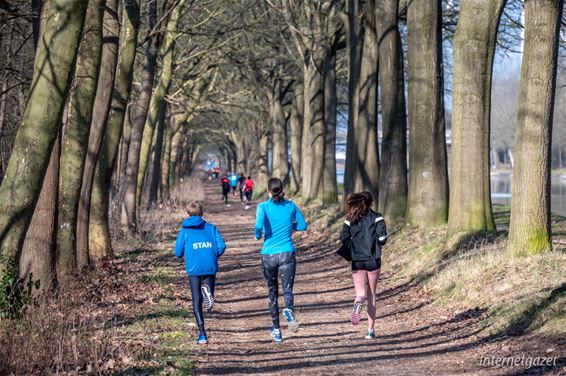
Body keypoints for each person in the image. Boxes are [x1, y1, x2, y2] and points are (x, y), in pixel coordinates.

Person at [254, 177, 308, 344]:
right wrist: (288, 227)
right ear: (282, 190)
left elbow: (258, 227)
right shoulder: (291, 206)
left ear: (269, 191)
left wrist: (258, 234)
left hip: (268, 255)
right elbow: (303, 225)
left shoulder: (262, 207)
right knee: (287, 290)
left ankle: (277, 332)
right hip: (287, 253)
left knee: (272, 293)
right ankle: (289, 310)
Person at [174, 201, 226, 345]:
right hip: (209, 265)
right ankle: (208, 291)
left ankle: (202, 334)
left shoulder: (184, 231)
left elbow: (177, 253)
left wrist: (188, 252)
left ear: (187, 215)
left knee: (196, 301)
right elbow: (222, 246)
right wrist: (213, 254)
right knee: (208, 295)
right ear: (202, 214)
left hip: (193, 268)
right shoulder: (211, 228)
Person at [339, 192, 387, 340]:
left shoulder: (350, 219)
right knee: (372, 294)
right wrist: (376, 243)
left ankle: (358, 304)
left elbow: (343, 238)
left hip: (357, 260)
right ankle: (370, 331)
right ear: (371, 203)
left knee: (360, 294)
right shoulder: (377, 218)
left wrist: (353, 245)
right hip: (373, 259)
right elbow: (382, 238)